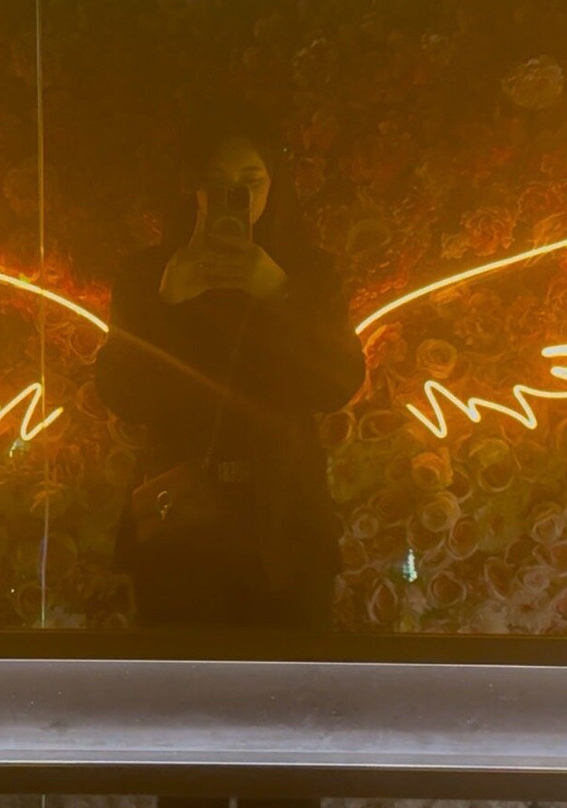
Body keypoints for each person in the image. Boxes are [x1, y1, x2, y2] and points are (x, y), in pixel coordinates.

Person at [95, 97, 366, 633]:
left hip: (283, 526)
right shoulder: (151, 273)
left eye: (250, 181)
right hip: (179, 524)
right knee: (181, 676)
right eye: (216, 182)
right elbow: (122, 394)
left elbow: (336, 384)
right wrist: (167, 301)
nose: (233, 195)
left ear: (272, 186)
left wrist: (280, 293)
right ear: (193, 187)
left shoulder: (305, 272)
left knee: (287, 678)